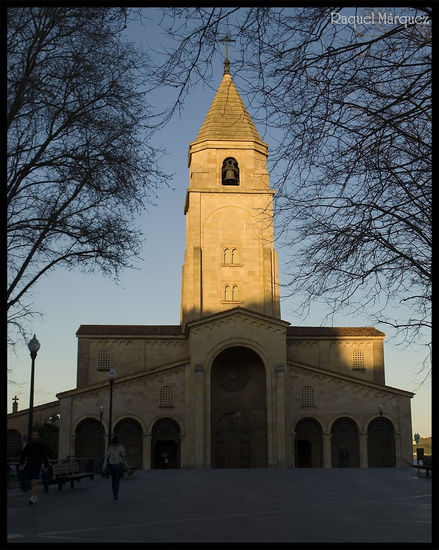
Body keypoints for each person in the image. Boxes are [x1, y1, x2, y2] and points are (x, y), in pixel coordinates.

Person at [18, 430, 49, 505]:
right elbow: (23, 455)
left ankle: (32, 497)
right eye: (33, 435)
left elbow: (45, 456)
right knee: (32, 481)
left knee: (34, 481)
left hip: (37, 465)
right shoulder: (28, 445)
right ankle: (34, 495)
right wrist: (21, 464)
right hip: (29, 465)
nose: (34, 436)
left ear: (38, 436)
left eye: (36, 435)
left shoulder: (41, 445)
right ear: (32, 437)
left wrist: (46, 466)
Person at [102, 435, 128, 500]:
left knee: (113, 480)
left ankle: (114, 492)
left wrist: (104, 466)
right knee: (117, 480)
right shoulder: (121, 447)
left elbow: (106, 457)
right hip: (118, 466)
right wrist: (126, 465)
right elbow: (124, 457)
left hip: (112, 466)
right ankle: (115, 494)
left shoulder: (110, 447)